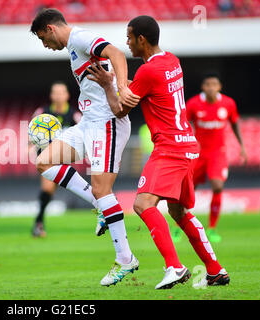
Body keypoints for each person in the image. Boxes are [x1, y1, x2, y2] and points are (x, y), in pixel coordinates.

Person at [87, 15, 229, 289]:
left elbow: (120, 109)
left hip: (170, 147)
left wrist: (108, 85)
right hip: (187, 144)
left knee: (142, 204)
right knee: (180, 212)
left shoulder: (148, 72)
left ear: (141, 39)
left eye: (129, 37)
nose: (126, 43)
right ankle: (215, 270)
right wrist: (124, 84)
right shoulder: (173, 61)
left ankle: (174, 267)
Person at [30, 8, 141, 287]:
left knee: (103, 189)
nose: (45, 46)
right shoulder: (72, 48)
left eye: (43, 39)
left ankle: (125, 258)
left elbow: (115, 53)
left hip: (107, 123)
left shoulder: (80, 38)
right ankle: (99, 207)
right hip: (88, 122)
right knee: (45, 162)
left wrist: (123, 89)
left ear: (50, 29)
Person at [175, 73, 247, 243]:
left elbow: (235, 123)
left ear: (219, 87)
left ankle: (212, 228)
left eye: (214, 84)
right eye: (208, 84)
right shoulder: (193, 104)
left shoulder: (228, 103)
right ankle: (179, 227)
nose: (211, 87)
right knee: (190, 190)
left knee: (217, 186)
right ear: (203, 87)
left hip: (218, 153)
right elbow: (183, 125)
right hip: (197, 153)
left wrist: (242, 147)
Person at [31, 81, 81, 238]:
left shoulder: (74, 115)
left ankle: (38, 221)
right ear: (51, 96)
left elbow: (82, 134)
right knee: (47, 190)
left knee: (49, 192)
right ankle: (38, 224)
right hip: (47, 159)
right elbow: (31, 133)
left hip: (65, 159)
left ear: (67, 95)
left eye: (62, 92)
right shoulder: (42, 113)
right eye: (56, 93)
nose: (59, 96)